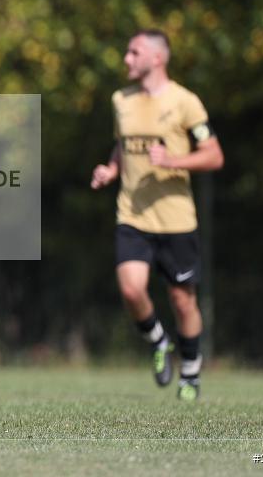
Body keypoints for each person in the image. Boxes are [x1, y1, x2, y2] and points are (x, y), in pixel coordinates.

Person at [91, 29, 224, 400]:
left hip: (177, 219)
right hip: (132, 214)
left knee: (183, 300)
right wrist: (111, 170)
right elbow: (122, 147)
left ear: (156, 58)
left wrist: (174, 160)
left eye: (133, 53)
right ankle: (158, 341)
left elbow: (215, 155)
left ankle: (191, 375)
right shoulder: (121, 99)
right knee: (131, 288)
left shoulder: (186, 102)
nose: (126, 59)